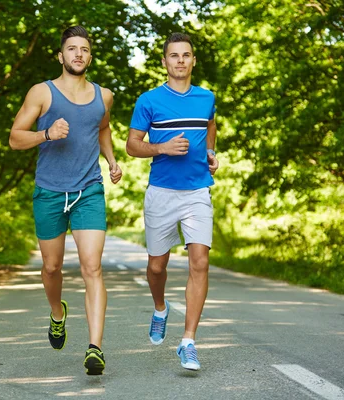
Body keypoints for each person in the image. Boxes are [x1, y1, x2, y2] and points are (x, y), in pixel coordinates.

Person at [9, 25, 122, 375]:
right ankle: (57, 313)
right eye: (72, 49)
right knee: (52, 267)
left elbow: (102, 129)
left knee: (92, 267)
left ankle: (95, 349)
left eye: (84, 49)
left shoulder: (104, 96)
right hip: (50, 191)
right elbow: (15, 138)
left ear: (90, 56)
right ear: (61, 56)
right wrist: (46, 133)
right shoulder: (41, 93)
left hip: (89, 189)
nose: (78, 54)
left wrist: (112, 160)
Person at [126, 32, 219, 371]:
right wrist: (162, 148)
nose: (180, 60)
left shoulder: (206, 97)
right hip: (162, 192)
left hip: (197, 191)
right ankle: (160, 307)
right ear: (164, 61)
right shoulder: (149, 100)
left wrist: (210, 151)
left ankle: (188, 341)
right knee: (156, 267)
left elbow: (210, 123)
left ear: (193, 61)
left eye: (186, 55)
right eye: (174, 55)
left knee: (200, 262)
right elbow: (132, 145)